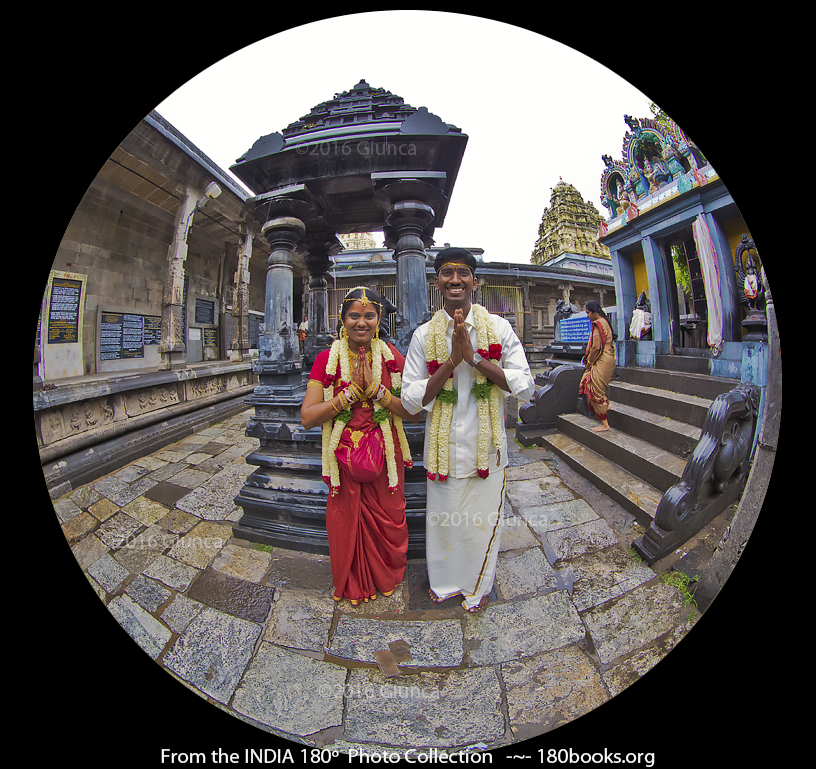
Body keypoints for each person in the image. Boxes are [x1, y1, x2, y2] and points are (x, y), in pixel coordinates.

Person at [401, 248, 535, 612]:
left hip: (485, 446)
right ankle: (444, 583)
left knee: (480, 521)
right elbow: (411, 400)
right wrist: (450, 362)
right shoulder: (423, 335)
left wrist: (475, 358)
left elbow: (525, 386)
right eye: (447, 273)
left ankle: (478, 586)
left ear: (476, 282)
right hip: (442, 448)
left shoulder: (500, 328)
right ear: (437, 282)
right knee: (443, 520)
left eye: (463, 273)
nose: (455, 279)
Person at [301, 287, 419, 605]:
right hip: (344, 456)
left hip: (385, 455)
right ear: (342, 319)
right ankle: (352, 580)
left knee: (390, 516)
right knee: (345, 518)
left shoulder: (393, 358)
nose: (361, 322)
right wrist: (346, 397)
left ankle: (385, 576)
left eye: (369, 315)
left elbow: (413, 413)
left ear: (379, 320)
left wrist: (380, 393)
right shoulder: (327, 360)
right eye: (354, 315)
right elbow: (308, 418)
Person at [579, 300, 617, 432]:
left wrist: (589, 362)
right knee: (591, 384)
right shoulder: (604, 322)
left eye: (588, 312)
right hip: (608, 358)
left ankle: (604, 424)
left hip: (602, 359)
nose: (587, 316)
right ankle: (607, 403)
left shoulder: (598, 324)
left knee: (594, 390)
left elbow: (595, 347)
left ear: (595, 312)